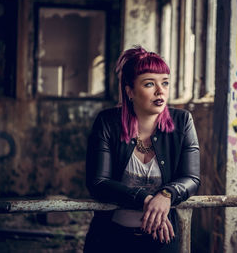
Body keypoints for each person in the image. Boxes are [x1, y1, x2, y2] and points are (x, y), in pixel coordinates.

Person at [83, 46, 200, 253]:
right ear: (130, 91)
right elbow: (98, 183)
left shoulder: (182, 122)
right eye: (149, 84)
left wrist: (166, 194)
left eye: (165, 83)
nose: (160, 91)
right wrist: (146, 200)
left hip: (162, 239)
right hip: (110, 239)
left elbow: (191, 178)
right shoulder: (108, 122)